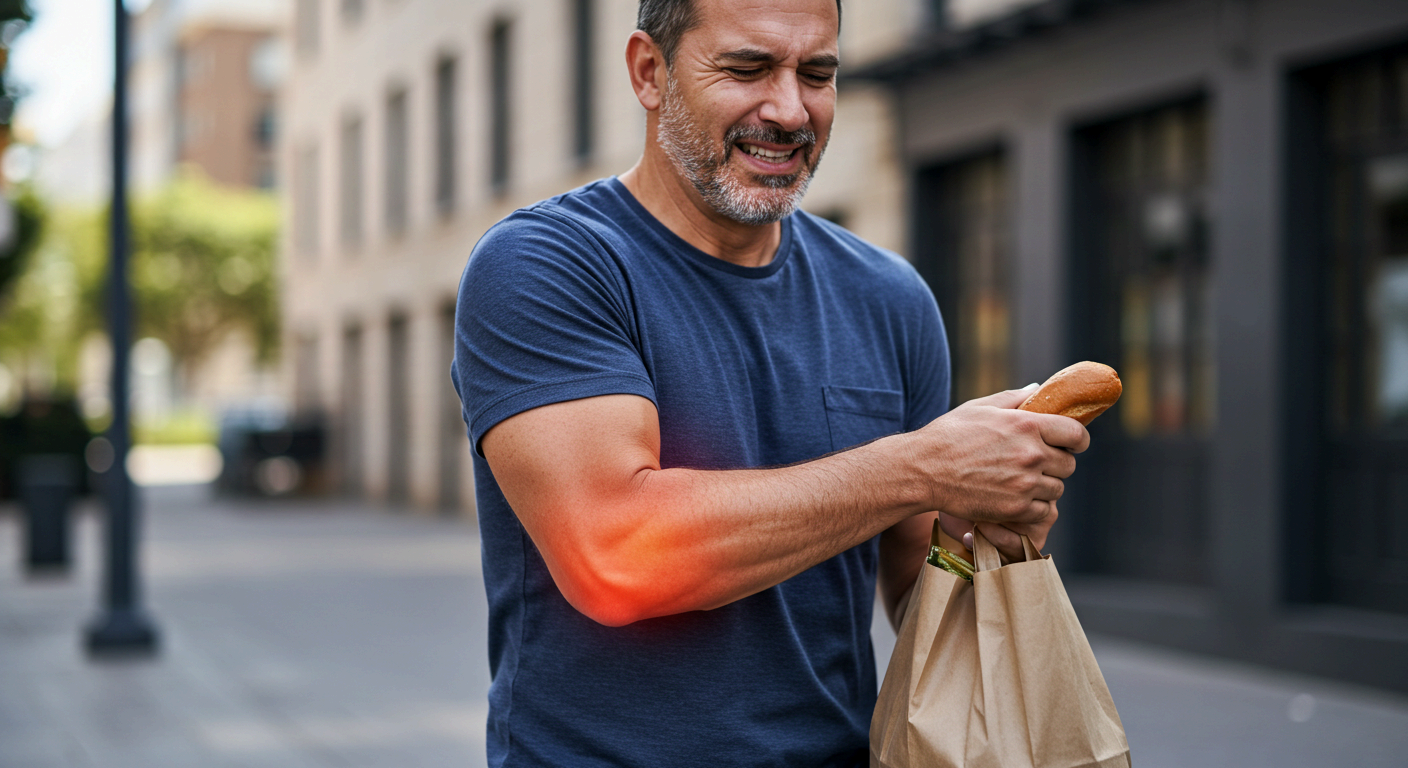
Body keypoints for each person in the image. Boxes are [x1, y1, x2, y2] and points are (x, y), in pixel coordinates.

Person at [451, 0, 1088, 764]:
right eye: (748, 68)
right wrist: (924, 465)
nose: (789, 110)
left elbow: (915, 590)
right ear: (649, 72)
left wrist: (984, 528)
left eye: (817, 73)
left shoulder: (889, 298)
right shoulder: (549, 265)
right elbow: (614, 556)